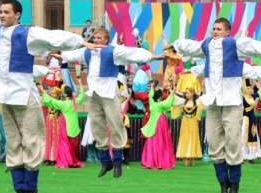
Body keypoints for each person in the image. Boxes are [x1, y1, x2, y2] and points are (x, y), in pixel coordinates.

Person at [0, 0, 94, 193]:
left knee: (32, 140)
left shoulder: (27, 34)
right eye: (1, 12)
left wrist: (81, 42)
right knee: (13, 142)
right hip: (4, 97)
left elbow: (53, 37)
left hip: (24, 94)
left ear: (18, 15)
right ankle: (19, 189)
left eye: (7, 12)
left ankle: (31, 187)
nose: (2, 15)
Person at [173, 18, 261, 193]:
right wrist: (176, 45)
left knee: (234, 142)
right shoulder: (207, 45)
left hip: (232, 102)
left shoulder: (235, 45)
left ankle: (234, 182)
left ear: (228, 32)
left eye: (218, 29)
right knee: (213, 142)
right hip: (213, 102)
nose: (214, 31)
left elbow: (256, 48)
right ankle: (223, 182)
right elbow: (191, 47)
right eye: (213, 28)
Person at [57, 28, 163, 178]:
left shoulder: (114, 51)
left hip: (109, 93)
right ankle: (106, 162)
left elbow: (131, 53)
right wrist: (62, 56)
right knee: (96, 126)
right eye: (94, 37)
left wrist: (151, 57)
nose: (96, 40)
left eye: (99, 37)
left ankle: (118, 163)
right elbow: (75, 54)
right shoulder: (87, 52)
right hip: (94, 94)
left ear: (106, 39)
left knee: (116, 125)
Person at [39, 81, 86, 169]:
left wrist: (41, 89)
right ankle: (72, 161)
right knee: (73, 146)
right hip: (74, 127)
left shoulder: (63, 104)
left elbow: (49, 101)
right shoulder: (75, 102)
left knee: (64, 145)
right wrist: (80, 82)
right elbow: (82, 96)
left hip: (65, 127)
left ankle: (65, 162)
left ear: (64, 95)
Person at [140, 84, 176, 170]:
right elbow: (168, 103)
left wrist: (152, 88)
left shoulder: (152, 103)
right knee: (161, 141)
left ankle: (151, 162)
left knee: (152, 141)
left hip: (152, 124)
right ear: (159, 98)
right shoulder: (160, 105)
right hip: (160, 124)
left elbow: (150, 96)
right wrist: (172, 93)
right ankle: (160, 162)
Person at [174, 83, 203, 166]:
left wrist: (203, 87)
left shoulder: (196, 102)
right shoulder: (183, 101)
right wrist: (172, 91)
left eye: (188, 93)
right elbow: (175, 99)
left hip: (193, 122)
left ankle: (192, 158)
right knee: (184, 139)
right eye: (185, 93)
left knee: (193, 139)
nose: (186, 94)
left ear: (192, 93)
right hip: (185, 122)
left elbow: (202, 98)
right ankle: (185, 158)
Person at [242, 80, 261, 163]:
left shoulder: (252, 96)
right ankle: (242, 156)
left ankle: (251, 157)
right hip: (245, 119)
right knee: (243, 137)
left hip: (252, 120)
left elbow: (260, 93)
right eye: (249, 89)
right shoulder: (242, 97)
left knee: (253, 135)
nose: (251, 90)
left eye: (251, 89)